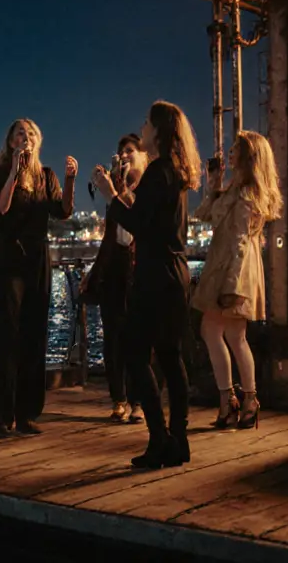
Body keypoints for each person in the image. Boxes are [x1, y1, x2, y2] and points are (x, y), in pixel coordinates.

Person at [91, 101, 200, 468]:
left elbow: (137, 224)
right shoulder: (175, 172)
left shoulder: (157, 172)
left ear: (158, 130)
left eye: (146, 123)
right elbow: (150, 219)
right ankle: (178, 440)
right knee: (170, 356)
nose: (142, 128)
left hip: (155, 274)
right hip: (176, 273)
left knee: (134, 353)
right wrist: (121, 193)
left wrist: (109, 194)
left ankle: (158, 438)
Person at [0, 119, 77, 437]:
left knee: (34, 336)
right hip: (9, 259)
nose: (26, 137)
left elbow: (61, 211)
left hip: (37, 259)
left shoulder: (45, 176)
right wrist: (13, 172)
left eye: (32, 133)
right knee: (6, 336)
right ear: (10, 141)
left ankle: (26, 413)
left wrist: (69, 180)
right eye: (20, 133)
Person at [191, 130, 282, 430]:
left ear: (249, 156)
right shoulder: (233, 190)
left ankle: (237, 398)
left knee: (226, 334)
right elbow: (204, 214)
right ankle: (241, 399)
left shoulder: (248, 195)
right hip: (224, 265)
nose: (229, 154)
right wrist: (213, 185)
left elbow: (241, 242)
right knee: (226, 334)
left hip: (235, 269)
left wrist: (232, 285)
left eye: (234, 150)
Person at [80, 134, 148, 423]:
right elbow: (110, 236)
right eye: (121, 153)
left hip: (138, 268)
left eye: (130, 152)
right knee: (112, 339)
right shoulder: (114, 190)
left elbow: (136, 220)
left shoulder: (146, 187)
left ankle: (138, 401)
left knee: (137, 338)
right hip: (114, 269)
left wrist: (116, 188)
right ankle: (118, 398)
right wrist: (94, 272)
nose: (125, 157)